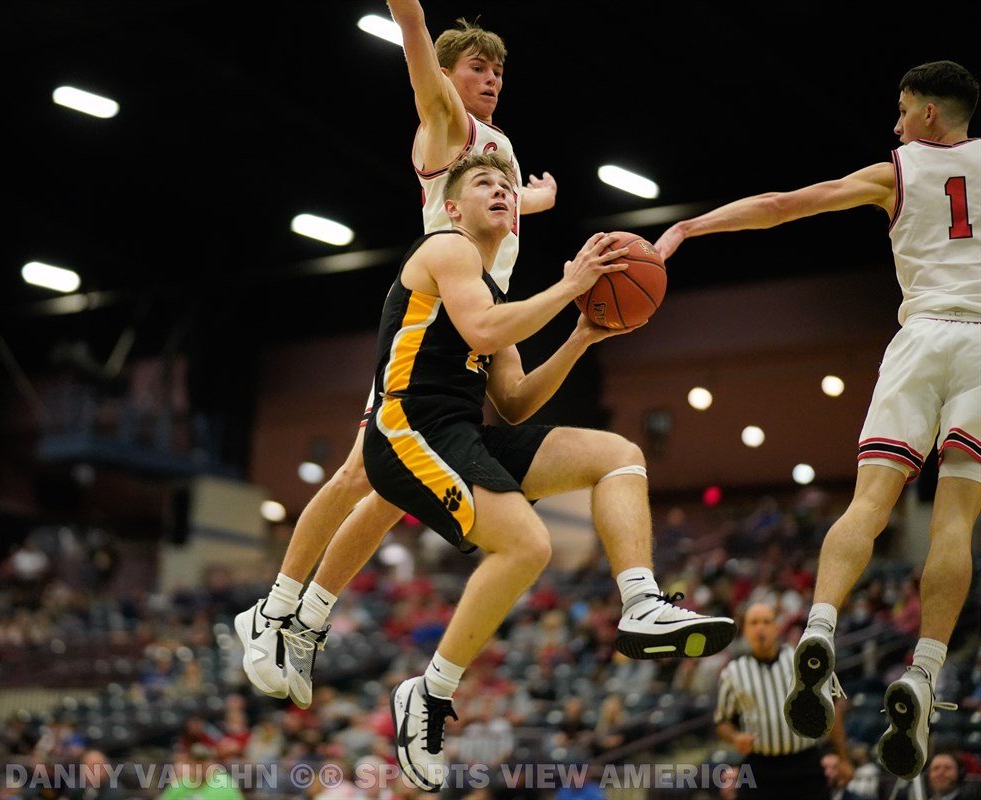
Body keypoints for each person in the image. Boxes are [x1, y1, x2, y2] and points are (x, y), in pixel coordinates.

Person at [236, 0, 732, 712]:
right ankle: (276, 610)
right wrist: (409, 15)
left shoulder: (495, 157)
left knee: (385, 489)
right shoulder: (445, 122)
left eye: (499, 68)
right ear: (447, 75)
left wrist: (535, 202)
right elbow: (415, 40)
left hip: (481, 318)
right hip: (434, 324)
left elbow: (516, 390)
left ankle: (308, 619)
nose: (492, 78)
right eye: (477, 67)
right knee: (359, 474)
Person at [360, 151, 731, 791]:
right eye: (485, 183)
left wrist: (581, 334)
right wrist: (568, 286)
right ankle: (430, 691)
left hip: (459, 433)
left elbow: (514, 401)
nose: (502, 190)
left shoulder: (491, 288)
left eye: (507, 184)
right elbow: (481, 333)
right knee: (529, 544)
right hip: (406, 429)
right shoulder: (447, 248)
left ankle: (641, 603)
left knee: (619, 456)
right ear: (453, 208)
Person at [656, 60, 979, 780]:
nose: (896, 123)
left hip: (923, 335)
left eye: (903, 110)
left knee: (867, 504)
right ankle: (925, 672)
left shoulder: (896, 170)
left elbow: (783, 205)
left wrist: (691, 225)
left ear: (928, 113)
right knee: (957, 519)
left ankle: (821, 628)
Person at [714, 603, 852, 800]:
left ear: (777, 627)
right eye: (753, 623)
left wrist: (844, 758)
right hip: (760, 768)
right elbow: (722, 722)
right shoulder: (733, 673)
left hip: (805, 765)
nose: (760, 628)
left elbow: (833, 710)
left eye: (766, 622)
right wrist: (735, 737)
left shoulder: (801, 661)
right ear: (745, 630)